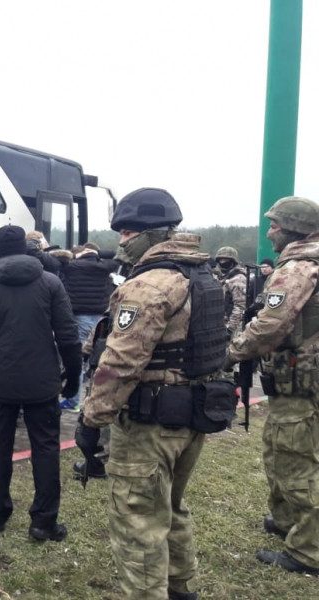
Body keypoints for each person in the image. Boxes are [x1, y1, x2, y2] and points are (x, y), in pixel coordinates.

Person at [78, 188, 231, 600]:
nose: (122, 240)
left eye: (127, 232)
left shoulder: (148, 285)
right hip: (192, 415)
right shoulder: (202, 276)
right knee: (173, 507)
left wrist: (92, 419)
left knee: (139, 520)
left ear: (148, 234)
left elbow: (120, 364)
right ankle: (180, 586)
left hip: (151, 424)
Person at [0, 224, 81, 540]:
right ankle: (44, 520)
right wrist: (74, 376)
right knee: (46, 448)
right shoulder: (50, 283)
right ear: (25, 248)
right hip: (41, 380)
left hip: (0, 378)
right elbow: (68, 335)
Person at [225, 196, 319, 576]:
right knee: (279, 452)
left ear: (293, 228)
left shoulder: (297, 269)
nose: (269, 232)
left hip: (300, 383)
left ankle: (308, 550)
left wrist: (232, 352)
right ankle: (287, 521)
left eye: (275, 226)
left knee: (295, 462)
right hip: (299, 381)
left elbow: (270, 325)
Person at [59, 242, 119, 412]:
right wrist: (97, 252)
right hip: (100, 318)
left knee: (78, 360)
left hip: (79, 317)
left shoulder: (71, 267)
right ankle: (96, 400)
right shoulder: (105, 267)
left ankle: (73, 401)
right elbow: (117, 255)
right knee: (98, 358)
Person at [214, 246, 246, 337]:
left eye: (225, 260)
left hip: (232, 325)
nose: (222, 262)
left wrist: (230, 328)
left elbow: (240, 306)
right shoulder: (220, 277)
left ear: (233, 261)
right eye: (220, 260)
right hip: (219, 322)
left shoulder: (238, 279)